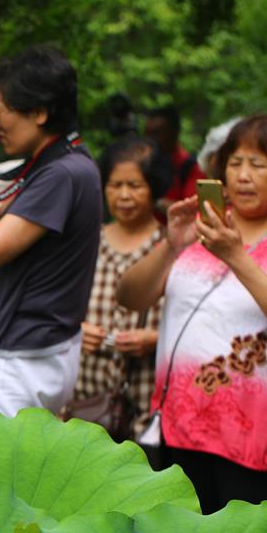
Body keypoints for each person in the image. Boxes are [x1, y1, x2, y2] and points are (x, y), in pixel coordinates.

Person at [117, 114, 267, 514]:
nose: (244, 176)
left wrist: (235, 255)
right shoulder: (199, 231)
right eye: (235, 163)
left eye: (259, 164)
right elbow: (130, 296)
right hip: (182, 430)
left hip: (261, 441)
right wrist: (170, 245)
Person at [0, 45, 102, 417]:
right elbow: (3, 227)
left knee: (0, 473)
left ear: (39, 112)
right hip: (42, 349)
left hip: (21, 356)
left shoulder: (61, 173)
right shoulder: (67, 163)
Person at [74, 136, 171, 436]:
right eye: (116, 185)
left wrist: (155, 339)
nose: (124, 196)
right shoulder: (86, 240)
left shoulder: (171, 244)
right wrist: (76, 331)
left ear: (154, 188)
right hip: (87, 394)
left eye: (135, 185)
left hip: (147, 396)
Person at [144, 106, 207, 209]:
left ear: (174, 132)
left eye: (156, 133)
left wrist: (153, 201)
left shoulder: (191, 168)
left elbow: (192, 209)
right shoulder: (143, 164)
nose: (150, 139)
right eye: (147, 133)